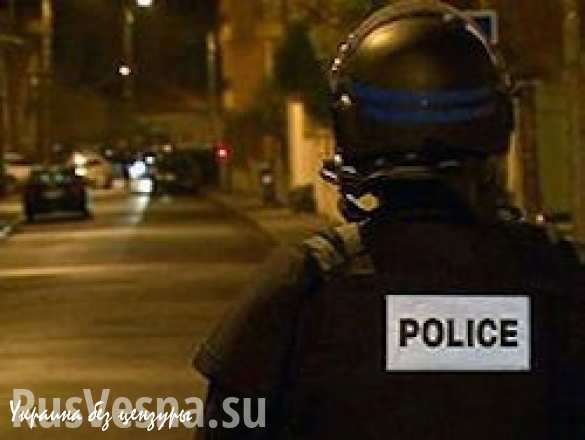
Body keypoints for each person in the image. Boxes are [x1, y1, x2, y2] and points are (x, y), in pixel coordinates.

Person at [193, 1, 585, 438]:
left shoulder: (302, 287)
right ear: (498, 122)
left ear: (349, 125)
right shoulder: (561, 276)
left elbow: (228, 426)